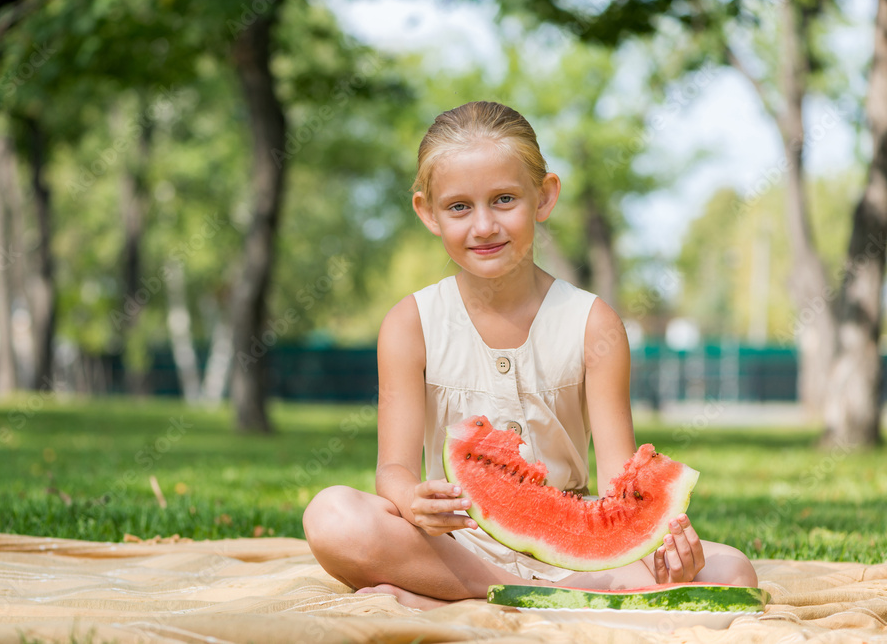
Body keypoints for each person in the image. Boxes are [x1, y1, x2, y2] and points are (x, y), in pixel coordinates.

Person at [303, 101, 758, 610]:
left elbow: (620, 483)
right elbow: (393, 469)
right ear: (427, 212)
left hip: (579, 550)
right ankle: (531, 597)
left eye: (503, 200)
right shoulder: (410, 325)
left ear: (544, 197)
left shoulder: (593, 323)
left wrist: (664, 542)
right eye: (459, 207)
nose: (484, 226)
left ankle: (465, 600)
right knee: (332, 515)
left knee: (732, 572)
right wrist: (411, 499)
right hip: (455, 546)